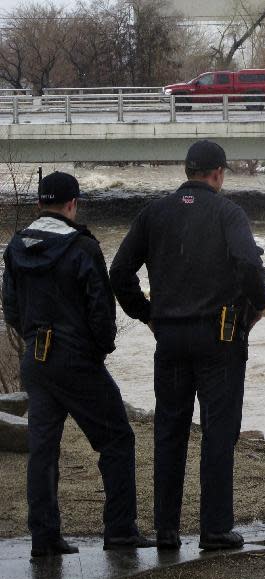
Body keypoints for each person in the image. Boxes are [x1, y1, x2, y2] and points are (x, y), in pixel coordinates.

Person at [109, 141, 265, 551]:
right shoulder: (227, 212)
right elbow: (250, 265)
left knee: (169, 430)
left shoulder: (154, 213)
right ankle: (215, 529)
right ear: (217, 173)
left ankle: (166, 530)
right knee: (218, 431)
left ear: (187, 170)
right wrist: (257, 304)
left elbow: (120, 271)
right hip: (219, 338)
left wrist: (146, 313)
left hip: (171, 337)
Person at [2, 172, 154, 556]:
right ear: (73, 203)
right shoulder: (82, 247)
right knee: (117, 439)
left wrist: (36, 338)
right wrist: (100, 349)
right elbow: (101, 310)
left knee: (43, 449)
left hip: (35, 357)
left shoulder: (15, 246)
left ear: (38, 205)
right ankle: (119, 530)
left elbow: (11, 309)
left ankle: (45, 537)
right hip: (76, 359)